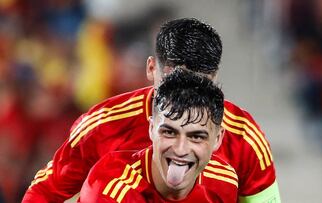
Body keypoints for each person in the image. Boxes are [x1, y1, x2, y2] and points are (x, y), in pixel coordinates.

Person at [23, 18, 281, 203]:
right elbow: (44, 193)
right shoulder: (102, 128)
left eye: (199, 83)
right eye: (173, 80)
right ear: (150, 69)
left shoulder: (244, 140)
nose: (185, 93)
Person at [78, 69, 238, 202]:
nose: (180, 150)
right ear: (151, 128)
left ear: (217, 139)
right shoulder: (109, 188)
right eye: (169, 132)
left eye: (196, 137)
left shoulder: (223, 184)